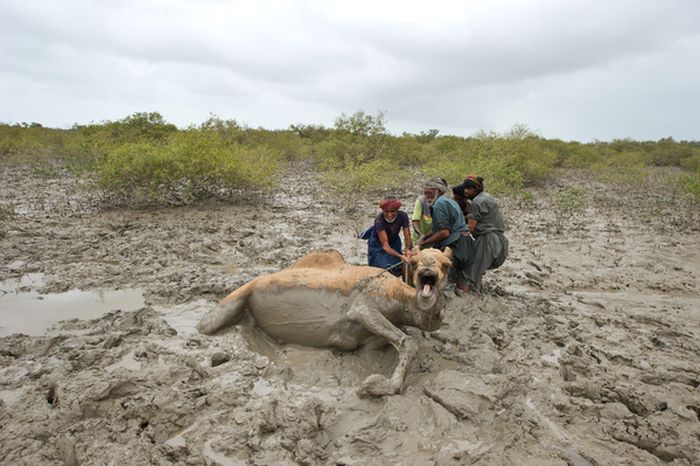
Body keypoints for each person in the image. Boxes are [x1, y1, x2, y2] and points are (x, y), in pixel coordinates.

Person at [416, 178, 475, 292]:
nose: (427, 196)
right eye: (425, 193)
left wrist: (423, 243)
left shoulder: (439, 205)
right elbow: (441, 228)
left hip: (455, 246)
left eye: (430, 193)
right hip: (467, 244)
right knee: (462, 283)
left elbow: (444, 232)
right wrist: (424, 236)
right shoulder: (449, 201)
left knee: (442, 282)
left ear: (439, 191)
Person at [453, 175, 509, 293]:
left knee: (469, 272)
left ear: (477, 188)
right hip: (499, 239)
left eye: (470, 188)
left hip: (487, 239)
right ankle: (477, 292)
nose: (466, 191)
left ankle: (465, 298)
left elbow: (470, 227)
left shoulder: (477, 202)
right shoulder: (488, 197)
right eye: (465, 188)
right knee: (477, 270)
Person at [361, 196, 413, 277]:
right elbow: (385, 246)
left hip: (394, 240)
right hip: (378, 244)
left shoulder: (403, 216)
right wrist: (401, 256)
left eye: (393, 211)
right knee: (383, 268)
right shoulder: (379, 220)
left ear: (397, 210)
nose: (389, 215)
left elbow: (407, 235)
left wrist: (407, 249)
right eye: (386, 212)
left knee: (400, 265)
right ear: (382, 211)